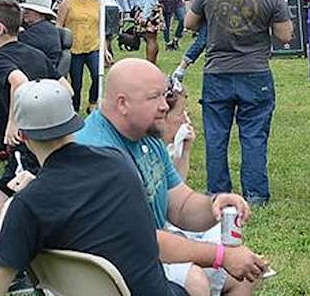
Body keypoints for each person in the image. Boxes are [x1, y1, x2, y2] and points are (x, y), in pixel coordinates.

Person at [0, 79, 184, 296]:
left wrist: (15, 204)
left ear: (23, 135)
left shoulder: (28, 205)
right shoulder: (119, 164)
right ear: (75, 122)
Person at [77, 59, 268, 296]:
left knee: (242, 276)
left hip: (144, 254)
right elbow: (142, 240)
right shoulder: (98, 155)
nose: (164, 106)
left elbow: (181, 205)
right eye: (153, 97)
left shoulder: (144, 134)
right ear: (122, 104)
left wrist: (215, 204)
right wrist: (221, 256)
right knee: (195, 282)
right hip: (111, 272)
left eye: (164, 95)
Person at [186, 0, 292, 206]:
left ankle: (218, 192)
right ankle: (255, 195)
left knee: (216, 136)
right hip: (255, 71)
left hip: (217, 70)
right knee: (254, 135)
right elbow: (285, 35)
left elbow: (189, 23)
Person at [0, 0, 66, 199]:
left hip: (26, 136)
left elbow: (19, 81)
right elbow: (66, 88)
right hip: (48, 133)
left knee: (5, 199)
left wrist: (14, 123)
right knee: (6, 196)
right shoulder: (36, 53)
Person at [57, 0, 101, 111]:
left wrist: (105, 49)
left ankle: (92, 102)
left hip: (93, 45)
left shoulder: (97, 3)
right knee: (76, 82)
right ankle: (74, 108)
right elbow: (59, 25)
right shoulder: (68, 2)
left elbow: (101, 27)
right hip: (74, 47)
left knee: (97, 75)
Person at [18, 0, 61, 70]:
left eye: (29, 9)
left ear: (41, 13)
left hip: (40, 74)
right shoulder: (41, 27)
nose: (25, 12)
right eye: (25, 9)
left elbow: (12, 43)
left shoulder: (43, 30)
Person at [132, 0, 163, 64]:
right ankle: (151, 60)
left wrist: (145, 16)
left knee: (151, 38)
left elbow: (150, 0)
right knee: (148, 38)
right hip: (144, 10)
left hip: (149, 12)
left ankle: (151, 62)